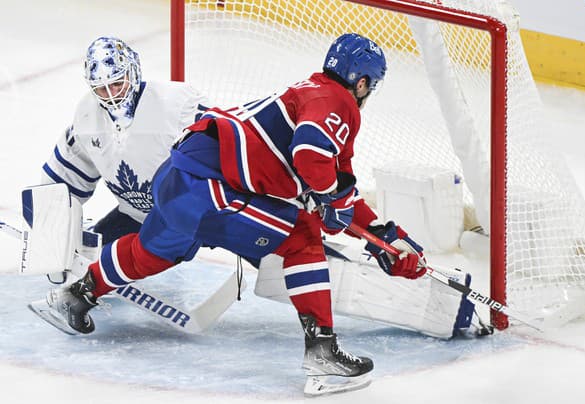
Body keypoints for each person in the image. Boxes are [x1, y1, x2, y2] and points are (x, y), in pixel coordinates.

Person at [34, 33, 427, 395]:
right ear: (361, 83)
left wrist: (382, 234)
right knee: (303, 238)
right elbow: (312, 157)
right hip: (213, 188)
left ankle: (76, 295)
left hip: (177, 178)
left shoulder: (308, 92)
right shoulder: (337, 101)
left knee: (150, 251)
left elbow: (338, 185)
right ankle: (323, 355)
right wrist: (330, 201)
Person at [40, 36, 209, 257]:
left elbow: (226, 148)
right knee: (86, 259)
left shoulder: (178, 105)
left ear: (134, 72)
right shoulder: (87, 116)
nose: (112, 96)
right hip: (138, 217)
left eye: (118, 83)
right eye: (102, 88)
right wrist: (48, 220)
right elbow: (63, 181)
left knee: (262, 243)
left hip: (200, 218)